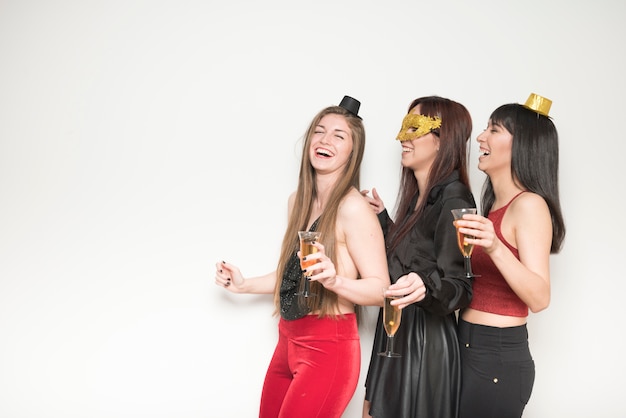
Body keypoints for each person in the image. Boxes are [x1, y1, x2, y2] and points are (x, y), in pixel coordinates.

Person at [214, 95, 390, 418]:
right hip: (288, 340)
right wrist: (242, 285)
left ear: (353, 152)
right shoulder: (298, 201)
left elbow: (381, 291)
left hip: (329, 348)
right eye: (319, 131)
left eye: (339, 136)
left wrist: (335, 280)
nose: (325, 140)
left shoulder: (353, 209)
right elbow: (291, 275)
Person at [361, 96, 476, 418]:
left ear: (444, 140)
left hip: (425, 343)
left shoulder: (456, 197)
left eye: (415, 128)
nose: (404, 138)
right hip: (397, 330)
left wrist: (425, 286)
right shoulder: (419, 199)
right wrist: (384, 223)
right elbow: (413, 259)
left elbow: (460, 286)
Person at [454, 93, 566, 418]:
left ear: (522, 146)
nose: (480, 137)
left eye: (494, 130)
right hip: (468, 347)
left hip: (496, 358)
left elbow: (540, 297)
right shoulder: (492, 208)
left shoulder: (529, 205)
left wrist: (494, 246)